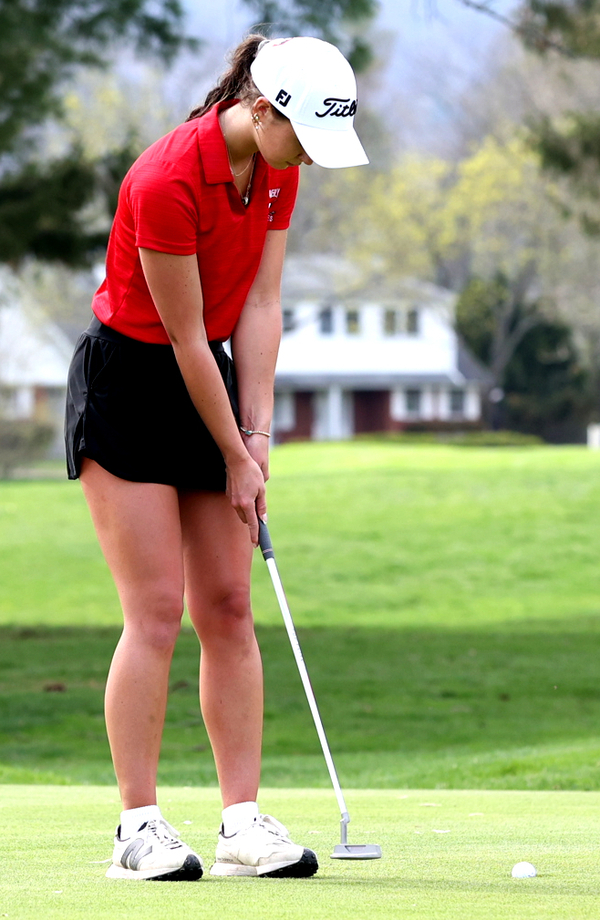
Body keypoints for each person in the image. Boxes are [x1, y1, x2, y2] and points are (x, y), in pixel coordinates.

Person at [65, 33, 368, 882]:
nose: (311, 155)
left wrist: (257, 438)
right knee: (158, 609)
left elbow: (261, 305)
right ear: (263, 110)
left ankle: (242, 823)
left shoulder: (276, 166)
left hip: (211, 381)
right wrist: (234, 454)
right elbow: (186, 338)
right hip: (131, 384)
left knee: (230, 605)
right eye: (305, 136)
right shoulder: (164, 179)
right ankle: (137, 827)